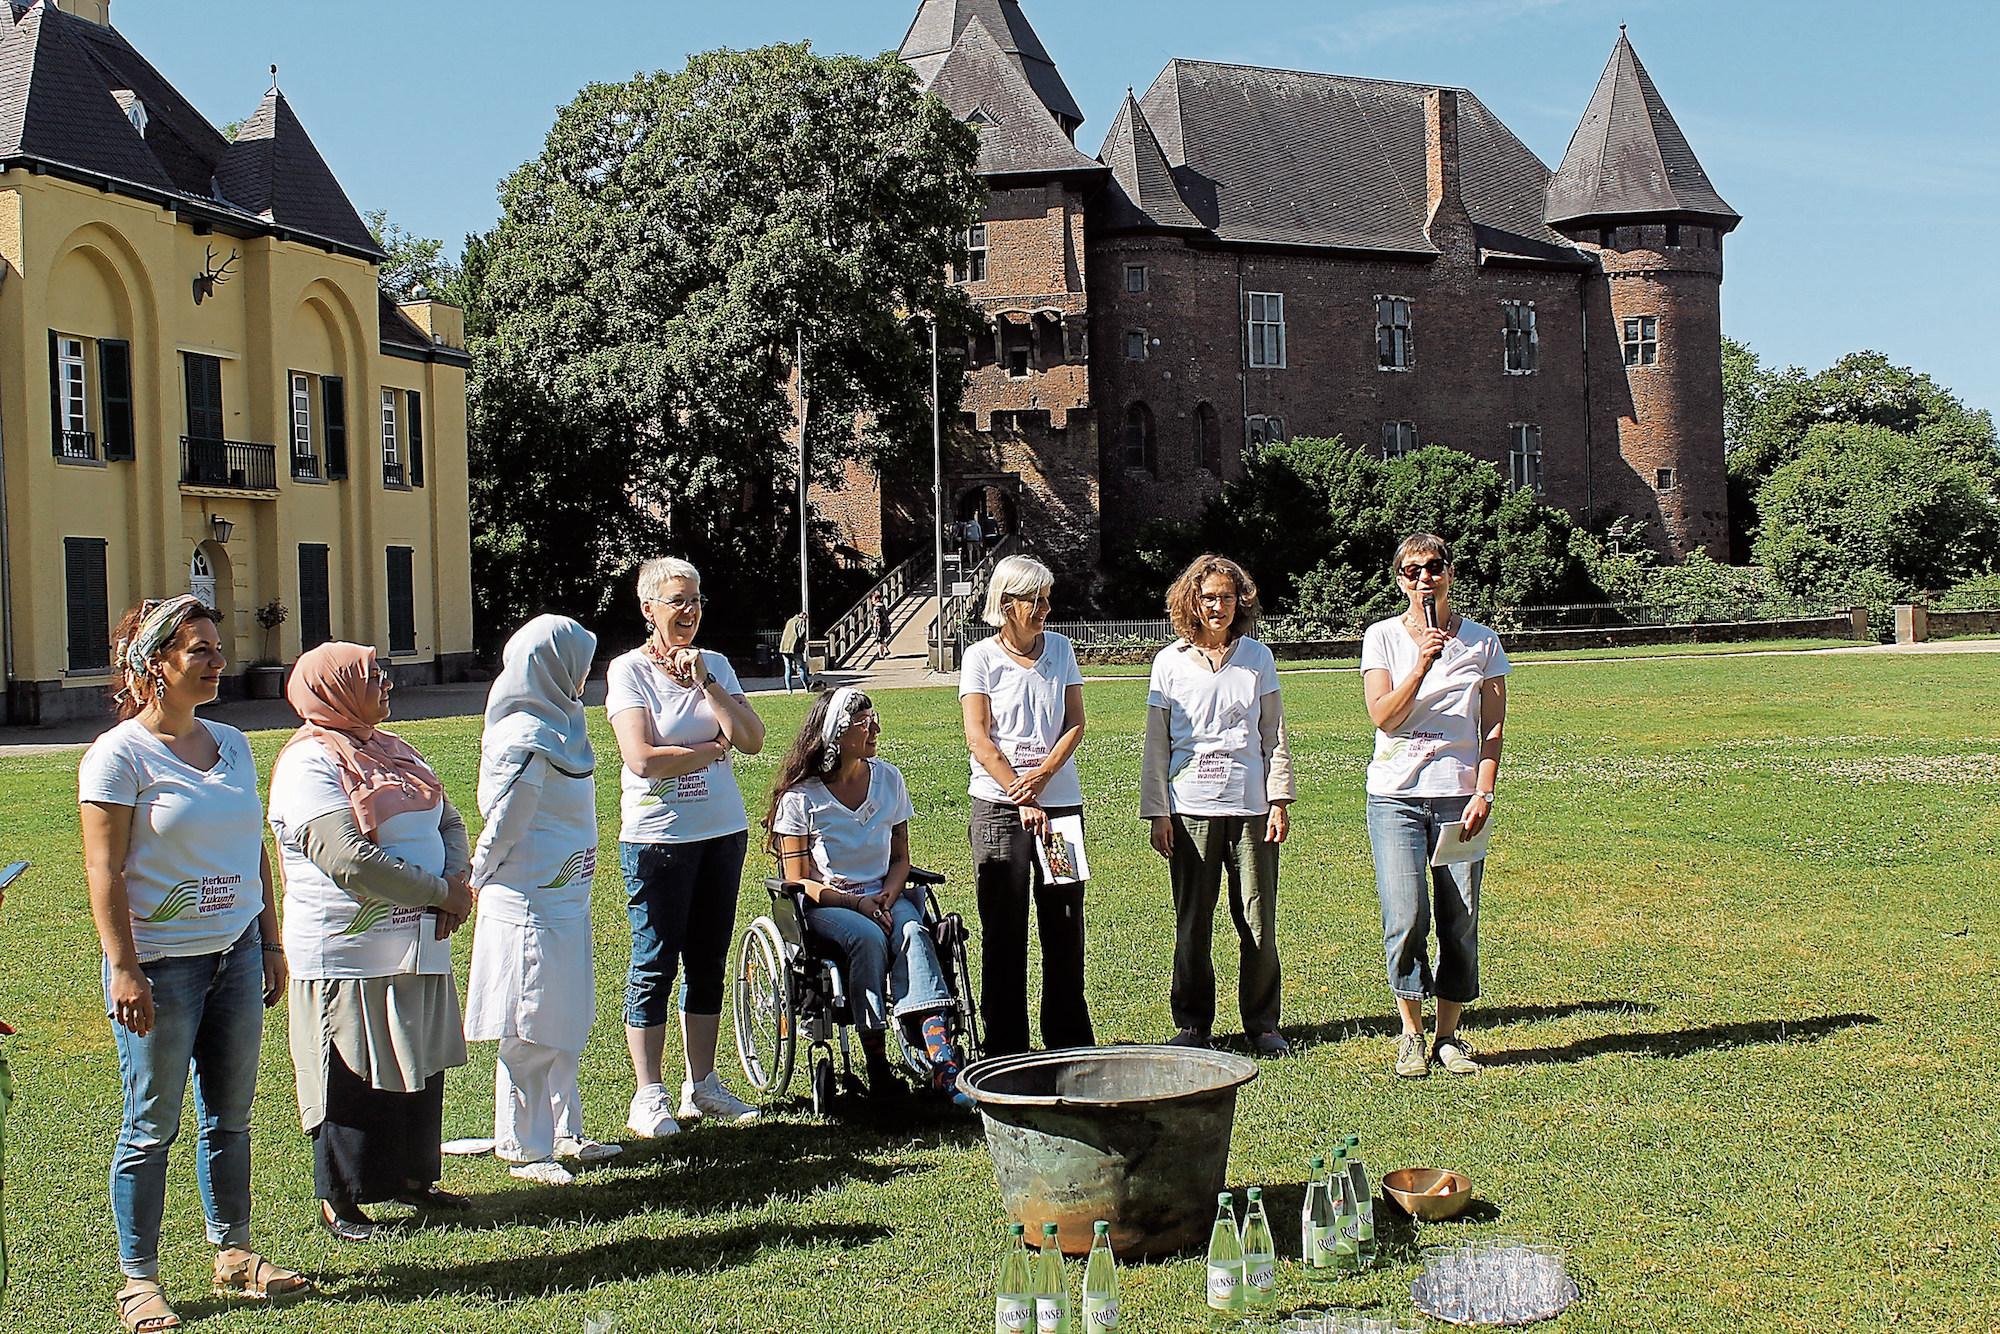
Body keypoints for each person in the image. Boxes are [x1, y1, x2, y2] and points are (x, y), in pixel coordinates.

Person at [79, 596, 308, 1330]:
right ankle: (138, 1280)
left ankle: (234, 1253)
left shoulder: (233, 743)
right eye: (199, 651)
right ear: (156, 667)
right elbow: (104, 871)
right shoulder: (117, 756)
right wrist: (124, 967)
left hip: (236, 953)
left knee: (231, 1118)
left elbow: (252, 852)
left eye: (217, 647)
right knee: (150, 1125)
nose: (217, 661)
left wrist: (269, 941)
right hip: (162, 967)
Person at [267, 643, 474, 1242]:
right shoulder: (306, 763)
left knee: (417, 1058)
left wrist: (454, 881)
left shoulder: (394, 751)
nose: (386, 682)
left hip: (416, 938)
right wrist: (438, 890)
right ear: (335, 688)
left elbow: (451, 822)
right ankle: (343, 1198)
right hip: (349, 947)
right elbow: (346, 859)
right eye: (370, 675)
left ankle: (414, 1178)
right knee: (351, 1067)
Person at [609, 558, 767, 1136]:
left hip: (721, 832)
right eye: (677, 600)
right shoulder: (628, 672)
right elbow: (642, 759)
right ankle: (646, 1094)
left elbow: (751, 740)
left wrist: (708, 684)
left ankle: (702, 1085)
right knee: (654, 961)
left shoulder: (716, 665)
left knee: (708, 959)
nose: (690, 610)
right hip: (658, 838)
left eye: (696, 599)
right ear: (648, 608)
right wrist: (710, 750)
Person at [464, 616, 620, 1185]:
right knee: (529, 1021)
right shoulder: (524, 733)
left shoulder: (564, 721)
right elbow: (505, 821)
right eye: (576, 662)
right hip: (527, 899)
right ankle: (522, 1143)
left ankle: (563, 1129)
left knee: (564, 1016)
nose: (584, 675)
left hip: (566, 899)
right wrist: (474, 875)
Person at [767, 688, 968, 1101]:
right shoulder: (801, 798)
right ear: (836, 735)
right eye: (864, 723)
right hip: (828, 904)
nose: (875, 728)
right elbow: (798, 880)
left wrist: (888, 899)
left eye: (874, 718)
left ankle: (941, 1057)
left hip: (887, 897)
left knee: (914, 933)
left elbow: (900, 860)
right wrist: (857, 903)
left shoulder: (889, 780)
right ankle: (876, 1057)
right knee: (868, 937)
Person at [1360, 534, 1509, 1078]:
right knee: (1406, 915)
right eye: (1412, 570)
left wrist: (1484, 790)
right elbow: (1384, 716)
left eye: (1434, 568)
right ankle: (1411, 1034)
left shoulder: (1484, 643)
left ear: (1450, 572)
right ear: (1398, 579)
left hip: (1458, 797)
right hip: (1395, 797)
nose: (1424, 579)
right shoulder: (1382, 639)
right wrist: (1421, 664)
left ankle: (1448, 1036)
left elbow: (1491, 727)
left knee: (1460, 918)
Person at [1141, 556, 1296, 1056]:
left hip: (1251, 807)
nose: (1218, 606)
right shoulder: (1168, 663)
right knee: (1193, 920)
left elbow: (1274, 735)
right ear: (1192, 601)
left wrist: (1278, 799)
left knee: (1257, 919)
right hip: (1191, 810)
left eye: (1227, 597)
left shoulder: (1258, 659)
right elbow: (1157, 746)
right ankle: (1192, 1023)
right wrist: (1157, 811)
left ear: (1240, 601)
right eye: (1209, 597)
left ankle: (1262, 1022)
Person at [959, 556, 1092, 1057]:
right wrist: (1020, 790)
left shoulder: (1060, 649)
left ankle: (1068, 1041)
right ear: (1005, 603)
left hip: (1059, 808)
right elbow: (978, 736)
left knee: (1063, 923)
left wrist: (1043, 778)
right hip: (998, 808)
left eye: (1046, 599)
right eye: (1032, 600)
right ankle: (1006, 1048)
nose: (1043, 609)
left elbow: (1075, 722)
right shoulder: (980, 658)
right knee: (1004, 928)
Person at [779, 610, 814, 694]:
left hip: (784, 649)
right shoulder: (801, 621)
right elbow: (801, 633)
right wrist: (804, 640)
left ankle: (789, 690)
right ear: (804, 617)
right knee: (801, 668)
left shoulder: (790, 621)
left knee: (788, 669)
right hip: (794, 649)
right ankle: (807, 687)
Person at [871, 592, 892, 661]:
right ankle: (886, 650)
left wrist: (874, 625)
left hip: (879, 626)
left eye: (873, 599)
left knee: (879, 640)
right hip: (885, 624)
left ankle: (881, 654)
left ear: (877, 599)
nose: (872, 601)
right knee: (882, 639)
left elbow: (877, 618)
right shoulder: (882, 606)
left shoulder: (876, 608)